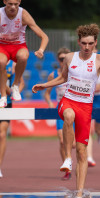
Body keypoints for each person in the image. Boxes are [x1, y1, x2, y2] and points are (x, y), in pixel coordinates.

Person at [32, 23, 100, 198]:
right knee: (68, 116)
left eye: (90, 44)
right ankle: (67, 159)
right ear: (78, 42)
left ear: (94, 43)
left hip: (86, 107)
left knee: (82, 152)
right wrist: (44, 85)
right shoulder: (70, 58)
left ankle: (78, 194)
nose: (87, 47)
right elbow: (62, 78)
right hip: (69, 101)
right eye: (84, 43)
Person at [0, 57, 24, 178]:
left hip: (6, 104)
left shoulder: (13, 65)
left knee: (2, 134)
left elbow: (21, 83)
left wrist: (14, 93)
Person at [43, 47, 74, 181]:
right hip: (61, 110)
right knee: (62, 141)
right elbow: (47, 93)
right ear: (58, 60)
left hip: (75, 110)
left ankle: (75, 161)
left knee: (73, 144)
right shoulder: (53, 75)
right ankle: (67, 167)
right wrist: (49, 102)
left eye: (66, 58)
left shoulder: (75, 73)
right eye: (61, 59)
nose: (64, 61)